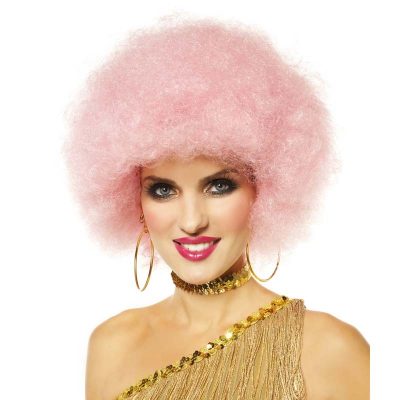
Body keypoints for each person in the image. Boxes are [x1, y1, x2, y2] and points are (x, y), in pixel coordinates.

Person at [62, 15, 369, 400]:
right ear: (134, 199)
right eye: (163, 190)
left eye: (219, 186)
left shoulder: (326, 350)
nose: (192, 221)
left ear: (264, 190)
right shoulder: (112, 346)